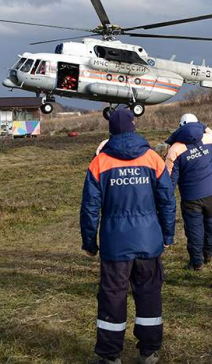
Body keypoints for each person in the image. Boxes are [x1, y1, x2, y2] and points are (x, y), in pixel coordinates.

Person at [80, 109, 176, 364]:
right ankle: (149, 352)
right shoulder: (153, 158)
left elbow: (90, 207)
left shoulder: (99, 163)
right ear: (134, 127)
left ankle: (110, 356)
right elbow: (167, 200)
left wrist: (90, 242)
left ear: (110, 130)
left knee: (112, 297)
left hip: (115, 244)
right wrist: (167, 234)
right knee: (149, 294)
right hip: (149, 241)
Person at [164, 113, 212, 270]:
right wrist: (200, 125)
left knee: (194, 228)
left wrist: (165, 197)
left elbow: (169, 179)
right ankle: (208, 252)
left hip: (190, 197)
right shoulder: (210, 139)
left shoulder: (174, 150)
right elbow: (209, 130)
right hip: (211, 192)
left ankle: (196, 262)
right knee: (211, 223)